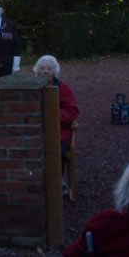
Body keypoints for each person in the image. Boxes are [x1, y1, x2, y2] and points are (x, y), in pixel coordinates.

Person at [33, 55, 80, 195]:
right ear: (37, 72)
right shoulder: (31, 88)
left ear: (55, 71)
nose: (46, 71)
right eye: (42, 68)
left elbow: (72, 111)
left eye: (49, 68)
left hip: (60, 132)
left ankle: (56, 182)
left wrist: (52, 115)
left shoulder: (64, 89)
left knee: (56, 150)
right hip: (36, 131)